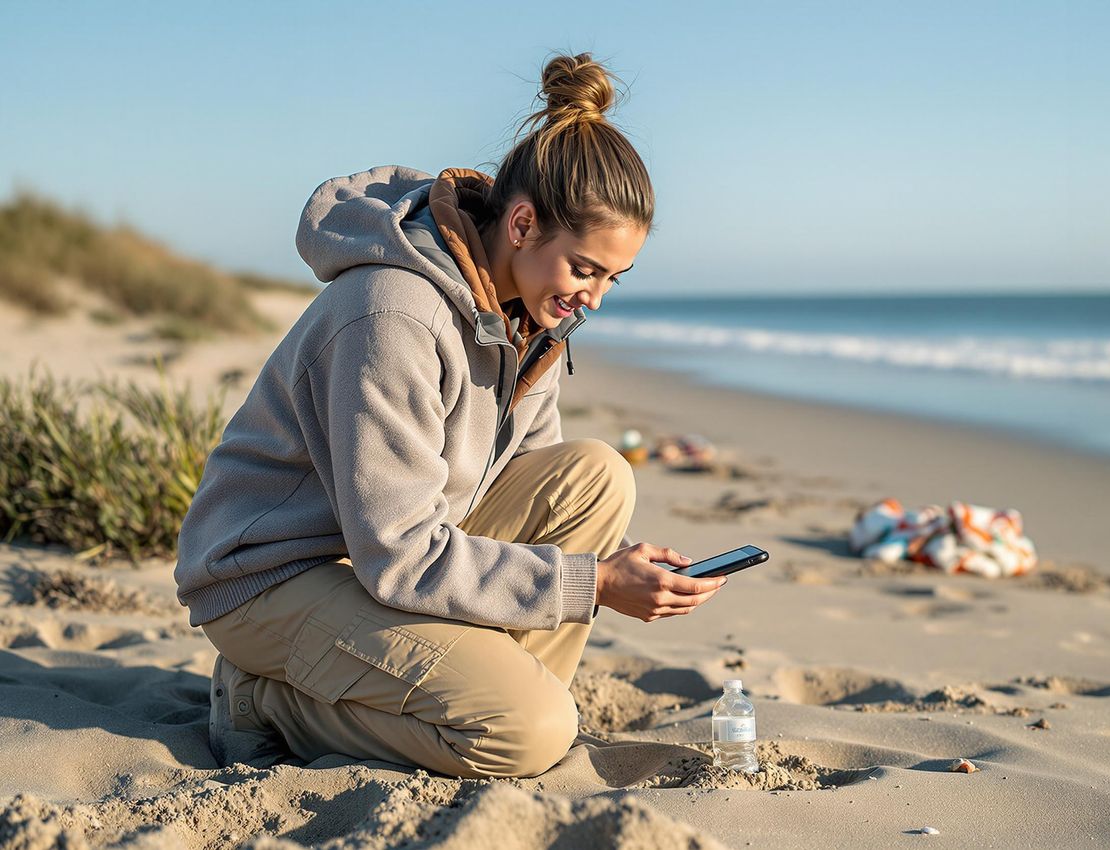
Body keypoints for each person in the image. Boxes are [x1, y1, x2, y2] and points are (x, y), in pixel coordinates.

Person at [173, 51, 728, 780]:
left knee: (597, 476)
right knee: (527, 735)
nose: (593, 297)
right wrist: (593, 583)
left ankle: (498, 699)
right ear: (523, 224)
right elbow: (398, 553)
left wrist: (619, 567)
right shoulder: (393, 314)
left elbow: (534, 485)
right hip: (275, 579)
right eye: (585, 269)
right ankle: (262, 702)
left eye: (612, 279)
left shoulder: (532, 318)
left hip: (383, 563)